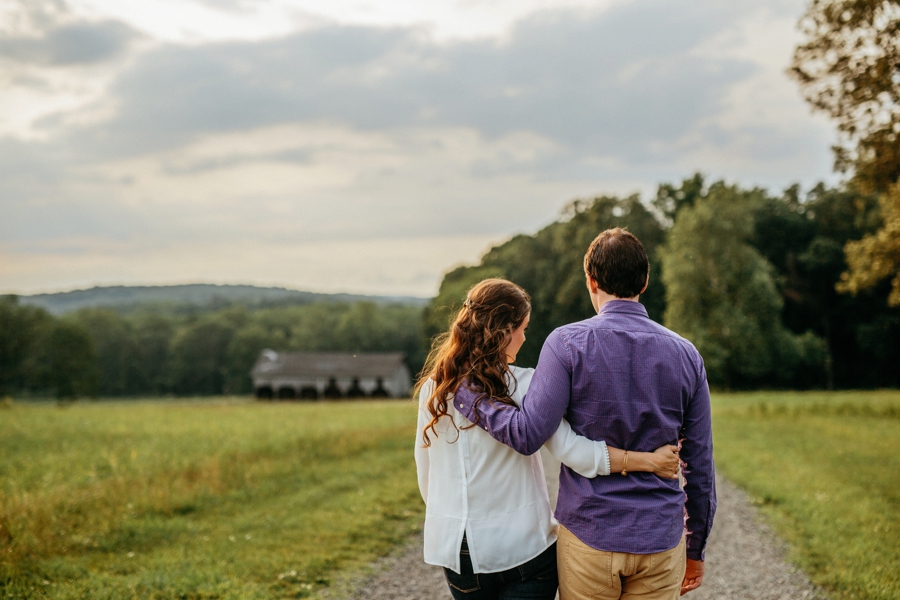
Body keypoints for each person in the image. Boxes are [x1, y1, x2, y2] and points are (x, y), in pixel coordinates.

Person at [452, 229, 716, 600]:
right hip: (659, 539)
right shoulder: (687, 354)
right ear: (645, 280)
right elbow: (700, 462)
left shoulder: (565, 343)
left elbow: (528, 435)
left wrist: (468, 397)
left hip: (589, 539)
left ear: (591, 280)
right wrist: (696, 548)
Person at [415, 278, 681, 600]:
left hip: (459, 551)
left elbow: (426, 472)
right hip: (524, 547)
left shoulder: (435, 388)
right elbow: (573, 451)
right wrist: (648, 461)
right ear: (502, 332)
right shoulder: (526, 384)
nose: (525, 337)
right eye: (523, 328)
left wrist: (456, 518)